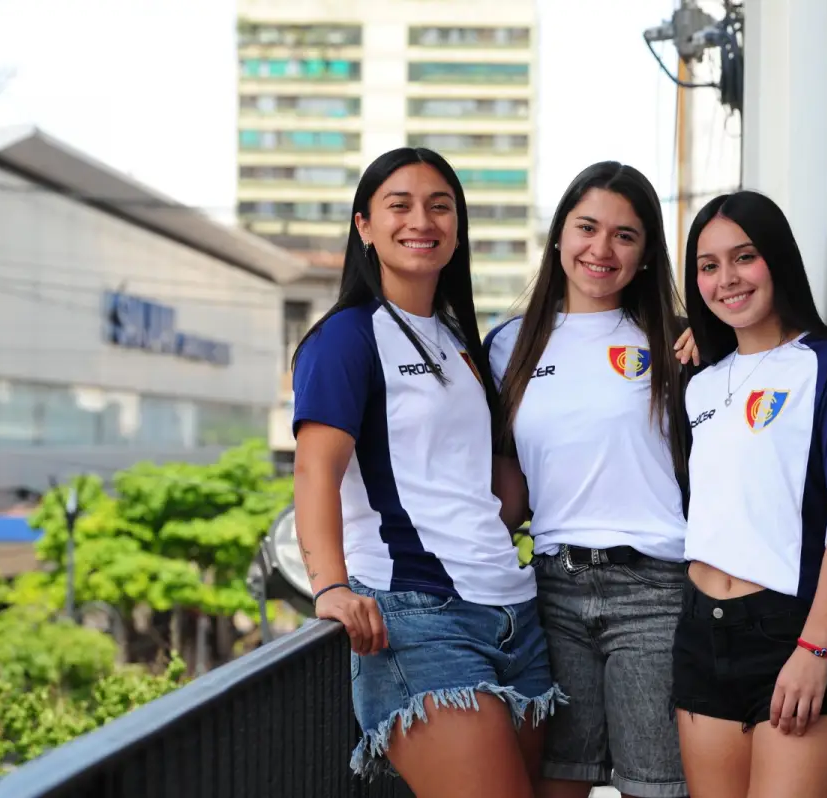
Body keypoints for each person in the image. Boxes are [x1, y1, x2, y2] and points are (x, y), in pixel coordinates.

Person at [290, 147, 566, 798]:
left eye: (441, 206)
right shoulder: (345, 338)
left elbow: (488, 482)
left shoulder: (459, 338)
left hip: (516, 614)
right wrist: (329, 587)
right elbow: (314, 471)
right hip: (416, 618)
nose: (423, 220)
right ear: (364, 226)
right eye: (400, 205)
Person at [486, 161, 693, 798]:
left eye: (625, 236)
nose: (601, 249)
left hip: (656, 590)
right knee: (557, 783)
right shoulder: (508, 346)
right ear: (559, 235)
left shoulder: (681, 342)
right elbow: (503, 480)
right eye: (586, 227)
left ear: (647, 255)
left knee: (655, 787)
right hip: (550, 591)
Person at [672, 190, 827, 798]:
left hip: (797, 632)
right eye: (708, 266)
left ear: (777, 260)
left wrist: (815, 648)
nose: (726, 279)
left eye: (744, 257)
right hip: (702, 634)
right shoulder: (699, 385)